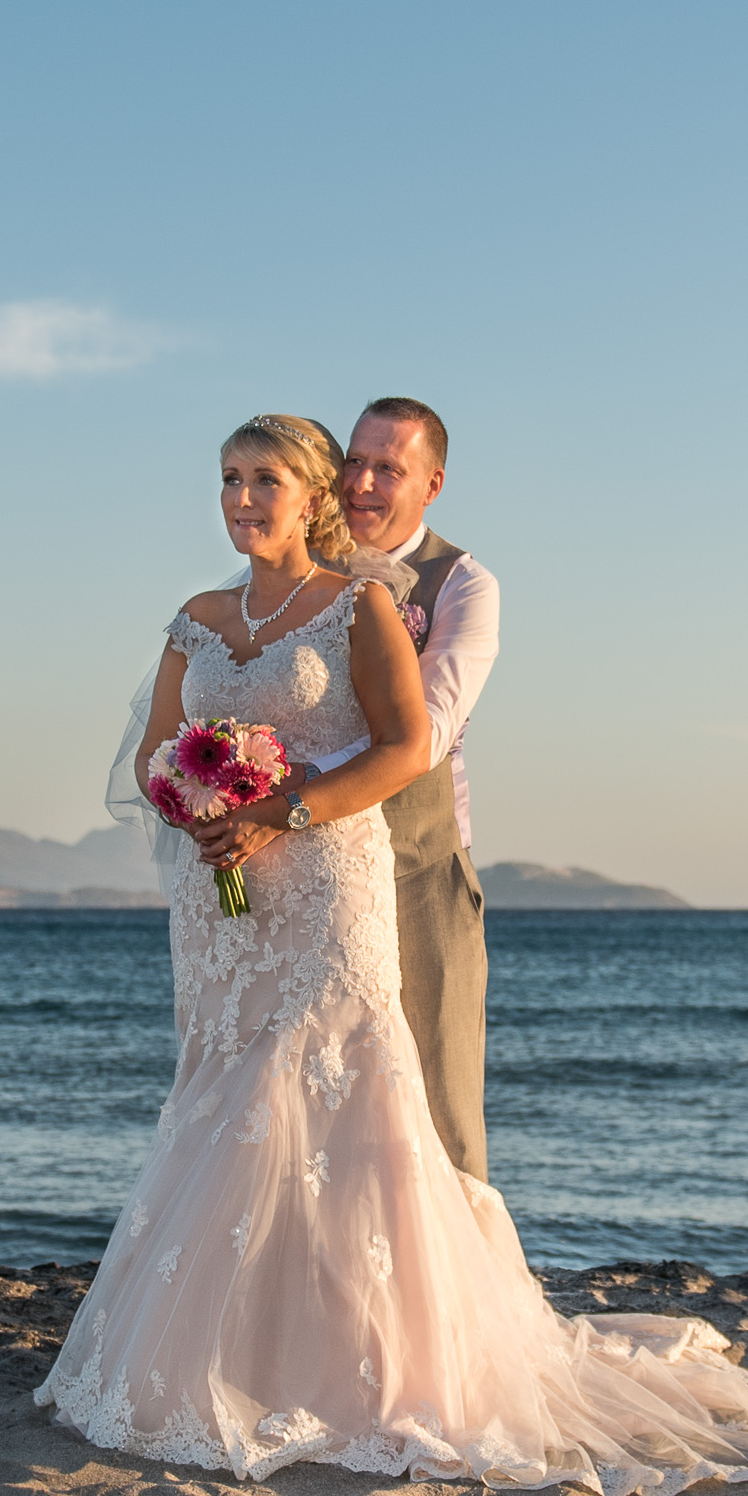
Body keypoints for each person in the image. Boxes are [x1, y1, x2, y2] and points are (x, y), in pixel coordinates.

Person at [36, 413, 748, 1495]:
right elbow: (152, 750)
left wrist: (287, 812)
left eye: (265, 478)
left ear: (312, 494)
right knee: (227, 1092)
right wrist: (193, 803)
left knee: (332, 1092)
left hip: (327, 880)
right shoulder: (194, 619)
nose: (241, 498)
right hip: (225, 899)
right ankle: (233, 1356)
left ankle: (375, 1369)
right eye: (228, 478)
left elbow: (410, 743)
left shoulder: (360, 606)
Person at [333, 398, 496, 1181]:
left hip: (418, 867)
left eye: (387, 468)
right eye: (353, 460)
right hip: (309, 877)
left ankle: (463, 1296)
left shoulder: (463, 583)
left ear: (431, 483)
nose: (361, 481)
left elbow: (423, 736)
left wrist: (291, 793)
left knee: (440, 1101)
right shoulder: (292, 571)